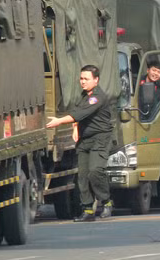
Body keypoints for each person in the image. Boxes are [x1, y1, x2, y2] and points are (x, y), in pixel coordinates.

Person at [47, 65, 115, 221]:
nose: (82, 82)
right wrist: (75, 127)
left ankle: (106, 201)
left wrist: (58, 121)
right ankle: (88, 210)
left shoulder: (97, 97)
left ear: (96, 80)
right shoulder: (84, 95)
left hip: (100, 138)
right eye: (81, 78)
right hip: (85, 140)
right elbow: (78, 113)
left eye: (86, 79)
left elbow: (79, 114)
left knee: (95, 171)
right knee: (82, 176)